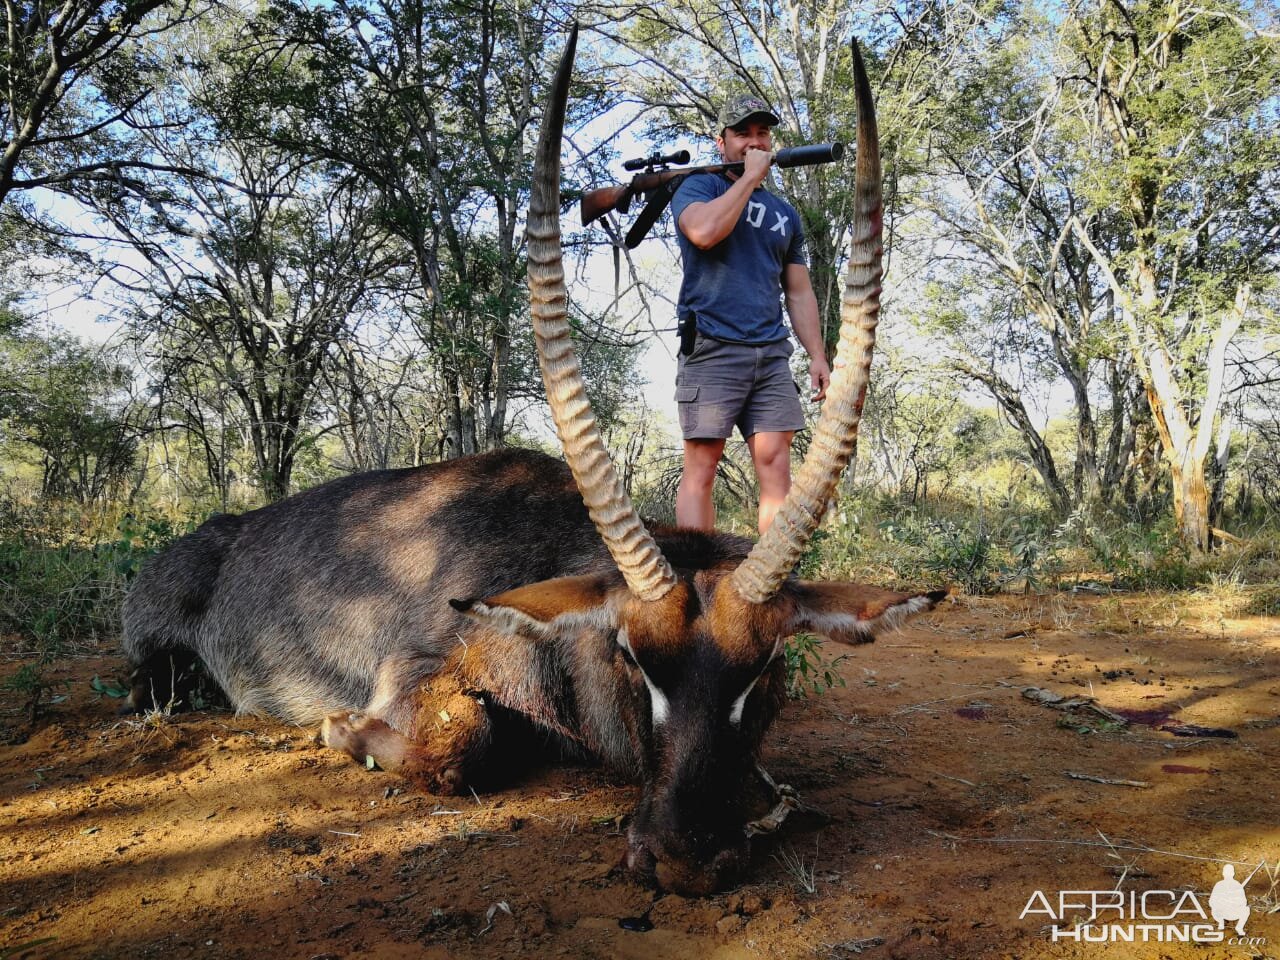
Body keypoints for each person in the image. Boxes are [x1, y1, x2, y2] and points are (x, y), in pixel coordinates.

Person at [669, 93, 830, 534]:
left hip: (771, 354)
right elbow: (703, 232)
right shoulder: (698, 187)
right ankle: (697, 585)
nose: (755, 143)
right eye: (743, 134)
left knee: (776, 464)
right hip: (712, 347)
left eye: (762, 133)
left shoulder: (785, 215)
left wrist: (816, 355)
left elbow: (798, 292)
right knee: (702, 465)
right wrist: (749, 179)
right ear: (721, 141)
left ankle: (772, 582)